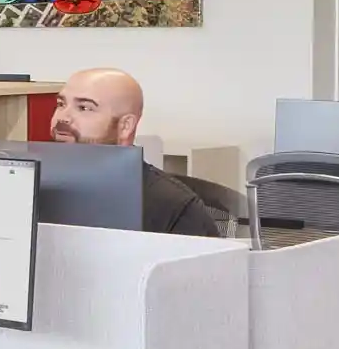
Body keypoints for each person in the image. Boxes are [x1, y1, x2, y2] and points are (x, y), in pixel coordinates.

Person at [47, 66, 224, 236]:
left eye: (84, 108)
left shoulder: (176, 208)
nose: (63, 118)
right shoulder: (42, 186)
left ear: (125, 126)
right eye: (61, 104)